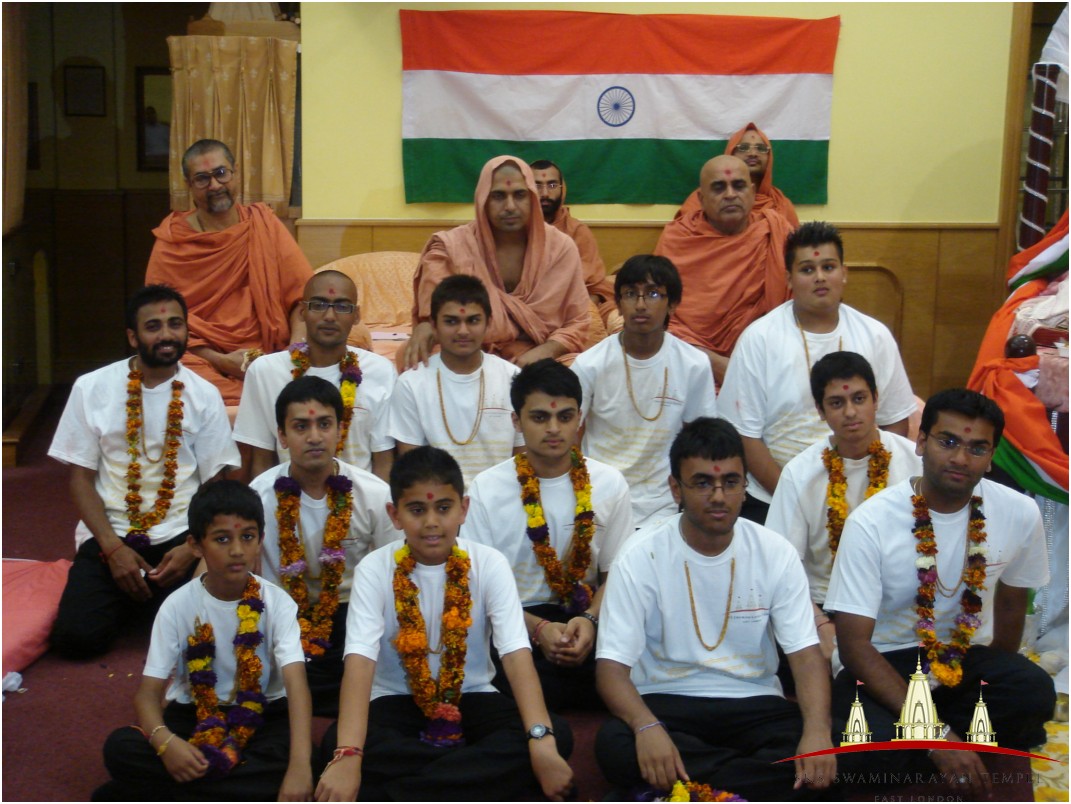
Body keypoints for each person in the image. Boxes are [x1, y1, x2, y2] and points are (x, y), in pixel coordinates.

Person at [825, 389, 1054, 801]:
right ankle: (946, 745)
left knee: (1033, 692)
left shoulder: (1019, 512)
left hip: (962, 658)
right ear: (921, 441)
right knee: (863, 746)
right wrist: (935, 734)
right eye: (948, 441)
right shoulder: (871, 523)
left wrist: (992, 674)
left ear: (991, 456)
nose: (961, 458)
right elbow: (854, 646)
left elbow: (1010, 602)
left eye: (977, 448)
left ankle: (928, 749)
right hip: (885, 663)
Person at [314, 447, 575, 802]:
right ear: (394, 514)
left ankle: (401, 792)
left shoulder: (489, 564)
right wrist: (348, 752)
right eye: (417, 510)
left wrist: (540, 738)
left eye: (443, 508)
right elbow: (359, 663)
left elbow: (515, 655)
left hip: (473, 696)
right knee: (335, 743)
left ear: (463, 509)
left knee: (555, 734)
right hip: (395, 700)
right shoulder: (374, 569)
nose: (432, 522)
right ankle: (470, 779)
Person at [594, 418, 835, 801]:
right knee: (616, 745)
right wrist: (645, 727)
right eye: (703, 483)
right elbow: (611, 669)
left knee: (832, 748)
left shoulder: (775, 552)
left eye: (730, 482)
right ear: (676, 488)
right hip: (665, 701)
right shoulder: (639, 555)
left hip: (754, 701)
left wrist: (818, 732)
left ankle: (685, 787)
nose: (719, 496)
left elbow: (806, 656)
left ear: (745, 486)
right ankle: (751, 787)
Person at [48, 285, 240, 659]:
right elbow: (80, 480)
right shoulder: (92, 388)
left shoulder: (203, 394)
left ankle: (142, 600)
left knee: (205, 638)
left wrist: (191, 547)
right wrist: (112, 549)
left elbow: (214, 484)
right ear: (133, 337)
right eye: (154, 326)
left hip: (179, 536)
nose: (167, 335)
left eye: (175, 324)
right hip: (112, 534)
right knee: (75, 641)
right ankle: (136, 596)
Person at [96, 480, 312, 801]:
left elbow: (296, 686)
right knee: (120, 748)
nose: (237, 550)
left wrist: (300, 767)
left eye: (247, 537)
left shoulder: (278, 603)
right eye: (222, 539)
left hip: (265, 713)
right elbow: (147, 695)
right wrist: (166, 744)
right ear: (195, 546)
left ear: (261, 540)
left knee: (301, 761)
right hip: (194, 712)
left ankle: (171, 792)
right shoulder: (177, 606)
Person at [462, 359, 633, 710]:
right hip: (514, 622)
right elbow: (479, 588)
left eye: (565, 417)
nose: (554, 429)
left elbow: (616, 576)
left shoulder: (609, 483)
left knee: (632, 658)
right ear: (516, 421)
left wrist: (589, 620)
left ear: (580, 418)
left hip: (584, 616)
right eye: (540, 417)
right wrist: (538, 630)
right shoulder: (486, 488)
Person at [719, 221, 916, 524]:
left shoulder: (874, 335)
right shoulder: (759, 339)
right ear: (789, 278)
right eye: (808, 269)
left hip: (866, 497)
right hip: (775, 494)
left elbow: (895, 420)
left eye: (828, 267)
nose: (820, 277)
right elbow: (745, 435)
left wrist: (869, 487)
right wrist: (793, 497)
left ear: (844, 273)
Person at [248, 376, 400, 716]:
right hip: (283, 613)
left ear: (340, 430)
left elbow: (395, 575)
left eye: (324, 424)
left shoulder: (374, 494)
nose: (314, 437)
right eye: (301, 426)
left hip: (352, 614)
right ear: (282, 436)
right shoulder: (258, 496)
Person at [767, 352, 921, 659]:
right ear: (820, 411)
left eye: (859, 399)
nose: (850, 412)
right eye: (837, 403)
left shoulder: (915, 463)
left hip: (902, 608)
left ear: (876, 399)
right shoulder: (800, 473)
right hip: (827, 608)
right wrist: (820, 625)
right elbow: (780, 567)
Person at [146, 139, 313, 405]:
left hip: (272, 354)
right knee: (179, 379)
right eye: (202, 178)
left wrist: (293, 355)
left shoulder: (263, 225)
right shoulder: (173, 242)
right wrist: (221, 360)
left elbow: (303, 299)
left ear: (236, 173)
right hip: (201, 358)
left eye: (221, 173)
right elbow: (159, 321)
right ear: (189, 185)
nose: (214, 185)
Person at [402, 155, 590, 369]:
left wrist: (544, 352)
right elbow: (434, 314)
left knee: (576, 370)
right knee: (412, 360)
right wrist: (426, 326)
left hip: (538, 352)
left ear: (532, 198)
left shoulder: (560, 248)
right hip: (467, 349)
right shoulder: (450, 248)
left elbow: (578, 322)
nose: (510, 206)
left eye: (519, 195)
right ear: (482, 200)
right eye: (498, 196)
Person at [572, 255, 717, 529]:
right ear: (618, 303)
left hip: (663, 505)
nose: (640, 305)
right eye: (630, 294)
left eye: (653, 294)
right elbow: (570, 435)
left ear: (672, 303)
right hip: (598, 501)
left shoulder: (693, 364)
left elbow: (701, 442)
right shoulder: (589, 364)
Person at [234, 270, 397, 482]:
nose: (329, 316)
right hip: (287, 498)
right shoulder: (265, 371)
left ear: (356, 316)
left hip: (360, 499)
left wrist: (378, 503)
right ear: (302, 312)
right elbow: (261, 459)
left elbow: (384, 461)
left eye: (342, 307)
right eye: (318, 305)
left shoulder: (380, 371)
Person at [654, 155, 792, 384]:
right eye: (719, 188)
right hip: (690, 365)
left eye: (738, 186)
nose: (730, 195)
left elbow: (796, 309)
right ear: (701, 198)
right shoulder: (677, 239)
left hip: (764, 365)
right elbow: (660, 315)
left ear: (752, 192)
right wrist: (717, 365)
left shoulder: (775, 232)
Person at [389, 274, 523, 488]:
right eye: (451, 321)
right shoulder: (411, 384)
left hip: (502, 499)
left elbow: (522, 462)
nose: (463, 331)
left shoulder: (512, 378)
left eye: (473, 321)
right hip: (437, 501)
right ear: (433, 325)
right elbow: (411, 467)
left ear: (488, 323)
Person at [530, 159, 618, 328]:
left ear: (562, 189)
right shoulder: (515, 232)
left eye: (552, 185)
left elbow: (595, 285)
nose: (545, 193)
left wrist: (581, 312)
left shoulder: (577, 231)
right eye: (537, 186)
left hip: (574, 306)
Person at [675, 122, 800, 228]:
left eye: (761, 148)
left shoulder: (780, 203)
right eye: (744, 147)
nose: (753, 153)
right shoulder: (704, 198)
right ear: (731, 152)